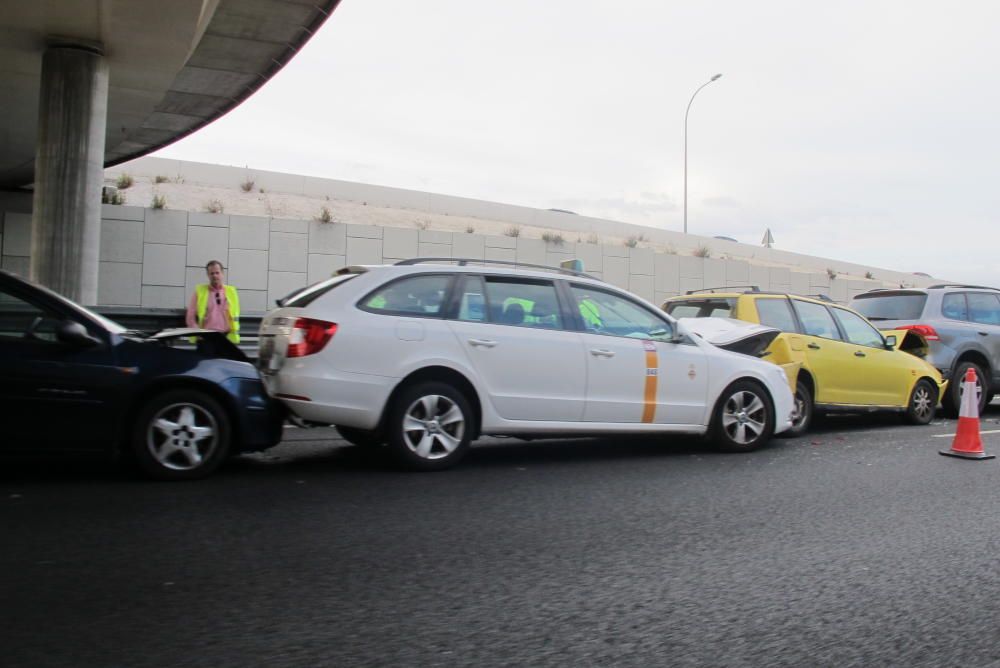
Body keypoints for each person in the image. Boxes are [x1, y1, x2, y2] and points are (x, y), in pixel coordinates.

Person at [186, 260, 240, 343]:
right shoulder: (200, 291)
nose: (214, 275)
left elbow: (235, 314)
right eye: (212, 273)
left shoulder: (231, 292)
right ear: (208, 275)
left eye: (217, 273)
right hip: (206, 338)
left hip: (226, 338)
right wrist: (198, 333)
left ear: (222, 273)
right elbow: (190, 316)